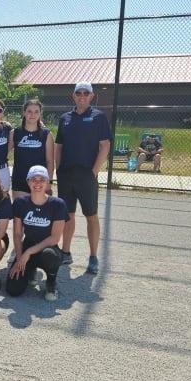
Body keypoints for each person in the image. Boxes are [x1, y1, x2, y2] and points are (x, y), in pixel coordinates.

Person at [54, 82, 112, 274]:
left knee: (91, 216)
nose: (82, 96)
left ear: (92, 96)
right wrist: (58, 170)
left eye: (86, 93)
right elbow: (59, 146)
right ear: (73, 96)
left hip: (87, 175)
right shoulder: (65, 118)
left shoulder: (99, 117)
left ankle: (93, 256)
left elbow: (104, 146)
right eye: (78, 93)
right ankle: (66, 252)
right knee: (67, 216)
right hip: (66, 175)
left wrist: (94, 171)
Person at [6, 166, 67, 301]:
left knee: (50, 256)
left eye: (42, 180)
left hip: (47, 248)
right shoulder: (20, 202)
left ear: (47, 182)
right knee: (13, 289)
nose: (37, 183)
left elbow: (55, 238)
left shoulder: (58, 204)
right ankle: (30, 270)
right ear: (28, 182)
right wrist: (20, 256)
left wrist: (28, 253)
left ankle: (51, 282)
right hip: (28, 245)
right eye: (34, 179)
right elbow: (17, 234)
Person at [10, 99, 54, 200]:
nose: (32, 114)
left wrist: (49, 181)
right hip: (20, 179)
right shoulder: (15, 132)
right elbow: (2, 152)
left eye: (36, 111)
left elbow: (50, 161)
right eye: (29, 111)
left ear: (40, 114)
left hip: (39, 181)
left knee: (38, 214)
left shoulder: (46, 134)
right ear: (24, 112)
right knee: (20, 213)